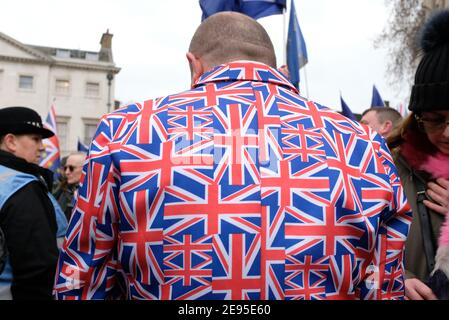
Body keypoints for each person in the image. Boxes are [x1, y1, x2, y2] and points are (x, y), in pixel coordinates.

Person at [54, 12, 411, 300]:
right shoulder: (363, 144)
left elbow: (84, 277)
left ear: (194, 64)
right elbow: (383, 286)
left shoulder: (126, 131)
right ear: (275, 67)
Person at [387, 10, 449, 300]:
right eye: (436, 119)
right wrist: (395, 281)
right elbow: (354, 259)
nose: (447, 133)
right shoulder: (383, 170)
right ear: (417, 117)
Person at [0, 106, 68, 300]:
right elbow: (37, 272)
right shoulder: (22, 188)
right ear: (11, 141)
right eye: (35, 139)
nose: (42, 147)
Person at [54, 152, 86, 220]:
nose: (67, 172)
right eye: (65, 168)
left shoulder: (94, 195)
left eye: (71, 168)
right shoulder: (64, 191)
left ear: (85, 168)